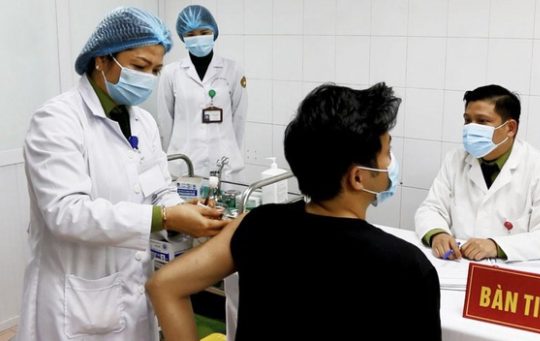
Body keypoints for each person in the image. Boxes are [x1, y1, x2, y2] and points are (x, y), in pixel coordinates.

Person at [147, 83, 442, 341]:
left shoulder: (258, 224)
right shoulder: (407, 265)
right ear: (357, 177)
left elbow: (165, 285)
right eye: (387, 152)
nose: (390, 162)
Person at [16, 7, 228, 340]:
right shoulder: (57, 120)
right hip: (75, 298)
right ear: (101, 60)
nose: (148, 78)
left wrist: (186, 209)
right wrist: (166, 218)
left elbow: (159, 189)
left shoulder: (143, 122)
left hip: (131, 289)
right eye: (139, 66)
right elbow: (66, 214)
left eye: (156, 70)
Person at [415, 84, 540, 262]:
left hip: (510, 275)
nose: (470, 128)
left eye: (482, 121)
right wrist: (438, 234)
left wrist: (496, 246)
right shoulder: (455, 159)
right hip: (457, 264)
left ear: (510, 128)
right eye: (467, 120)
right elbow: (431, 208)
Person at [157, 5, 247, 180]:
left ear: (214, 32)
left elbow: (239, 117)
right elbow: (165, 120)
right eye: (190, 34)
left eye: (204, 32)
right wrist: (174, 155)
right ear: (183, 37)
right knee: (187, 206)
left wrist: (229, 148)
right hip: (184, 162)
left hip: (225, 164)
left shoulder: (232, 69)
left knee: (225, 207)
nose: (198, 38)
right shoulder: (171, 72)